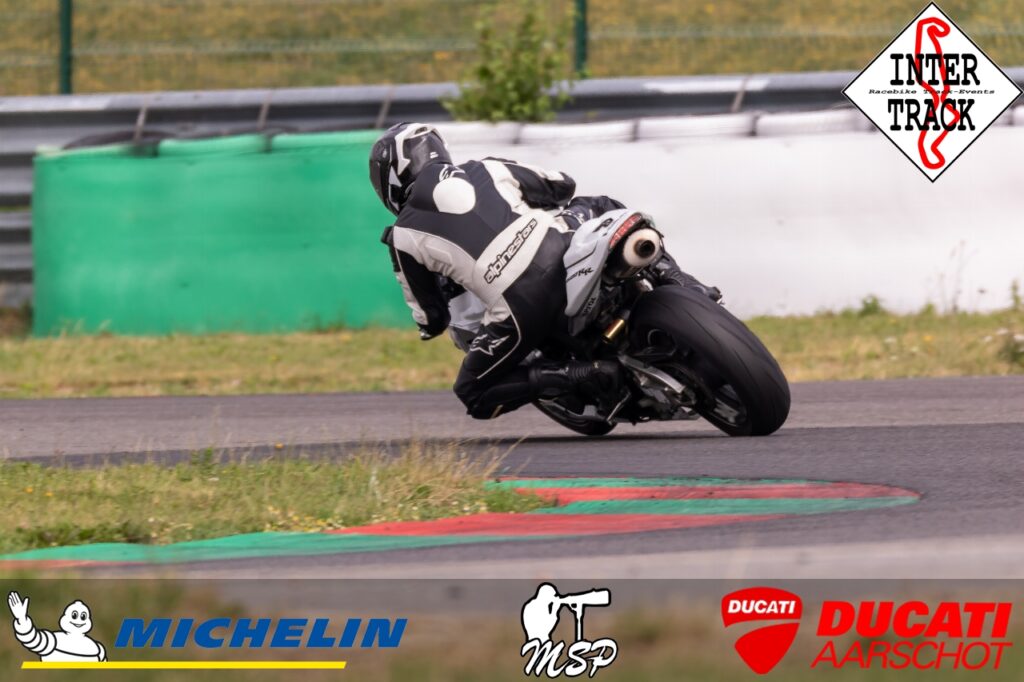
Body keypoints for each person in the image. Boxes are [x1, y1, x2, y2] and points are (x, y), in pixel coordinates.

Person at [369, 122, 719, 420]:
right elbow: (562, 185)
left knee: (473, 393)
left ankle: (585, 373)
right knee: (601, 205)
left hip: (521, 308)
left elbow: (432, 318)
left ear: (391, 181)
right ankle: (684, 284)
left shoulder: (401, 236)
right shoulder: (487, 167)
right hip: (563, 250)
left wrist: (431, 317)